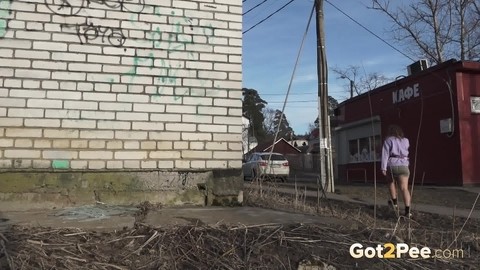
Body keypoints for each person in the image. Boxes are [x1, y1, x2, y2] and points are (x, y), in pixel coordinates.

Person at [381, 124, 412, 218]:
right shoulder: (406, 140)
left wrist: (383, 168)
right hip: (403, 165)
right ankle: (408, 211)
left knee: (390, 182)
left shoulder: (388, 140)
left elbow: (385, 154)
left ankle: (394, 203)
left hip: (392, 165)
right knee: (404, 189)